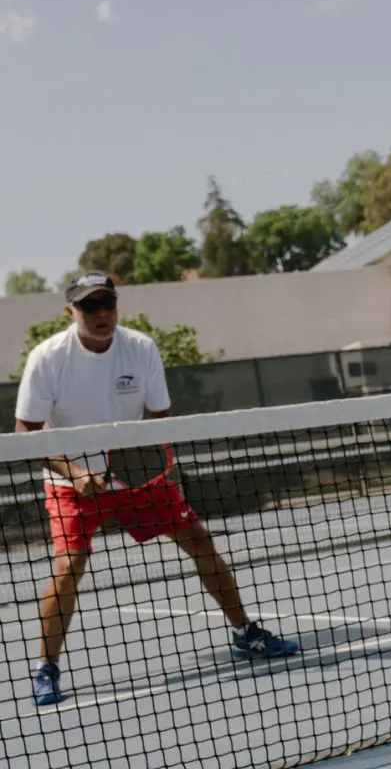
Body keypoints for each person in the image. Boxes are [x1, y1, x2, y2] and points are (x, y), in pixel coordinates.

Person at [16, 272, 300, 707]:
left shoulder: (141, 348)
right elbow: (26, 432)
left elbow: (160, 418)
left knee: (199, 541)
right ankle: (46, 667)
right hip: (70, 481)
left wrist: (145, 466)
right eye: (89, 307)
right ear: (71, 312)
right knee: (69, 565)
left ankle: (246, 634)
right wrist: (74, 472)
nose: (100, 314)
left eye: (106, 304)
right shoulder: (48, 357)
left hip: (135, 477)